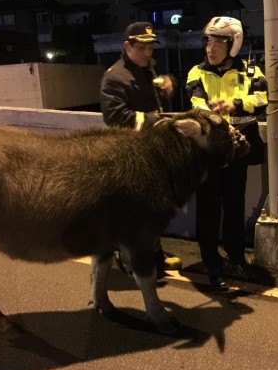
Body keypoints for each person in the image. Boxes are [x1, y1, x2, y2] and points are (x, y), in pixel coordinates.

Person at [185, 16, 268, 291]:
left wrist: (234, 103)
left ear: (234, 44)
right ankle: (211, 264)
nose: (211, 48)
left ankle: (236, 258)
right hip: (209, 153)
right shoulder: (197, 72)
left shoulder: (251, 71)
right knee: (208, 211)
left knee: (234, 208)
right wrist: (212, 113)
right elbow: (197, 103)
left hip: (237, 154)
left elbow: (262, 100)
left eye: (219, 42)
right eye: (208, 41)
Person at [100, 21, 182, 276]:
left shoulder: (147, 67)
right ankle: (129, 258)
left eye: (150, 48)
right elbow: (115, 117)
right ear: (127, 46)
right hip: (130, 155)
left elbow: (156, 89)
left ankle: (154, 253)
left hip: (151, 153)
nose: (149, 53)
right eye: (142, 48)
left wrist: (168, 81)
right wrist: (155, 121)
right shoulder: (115, 76)